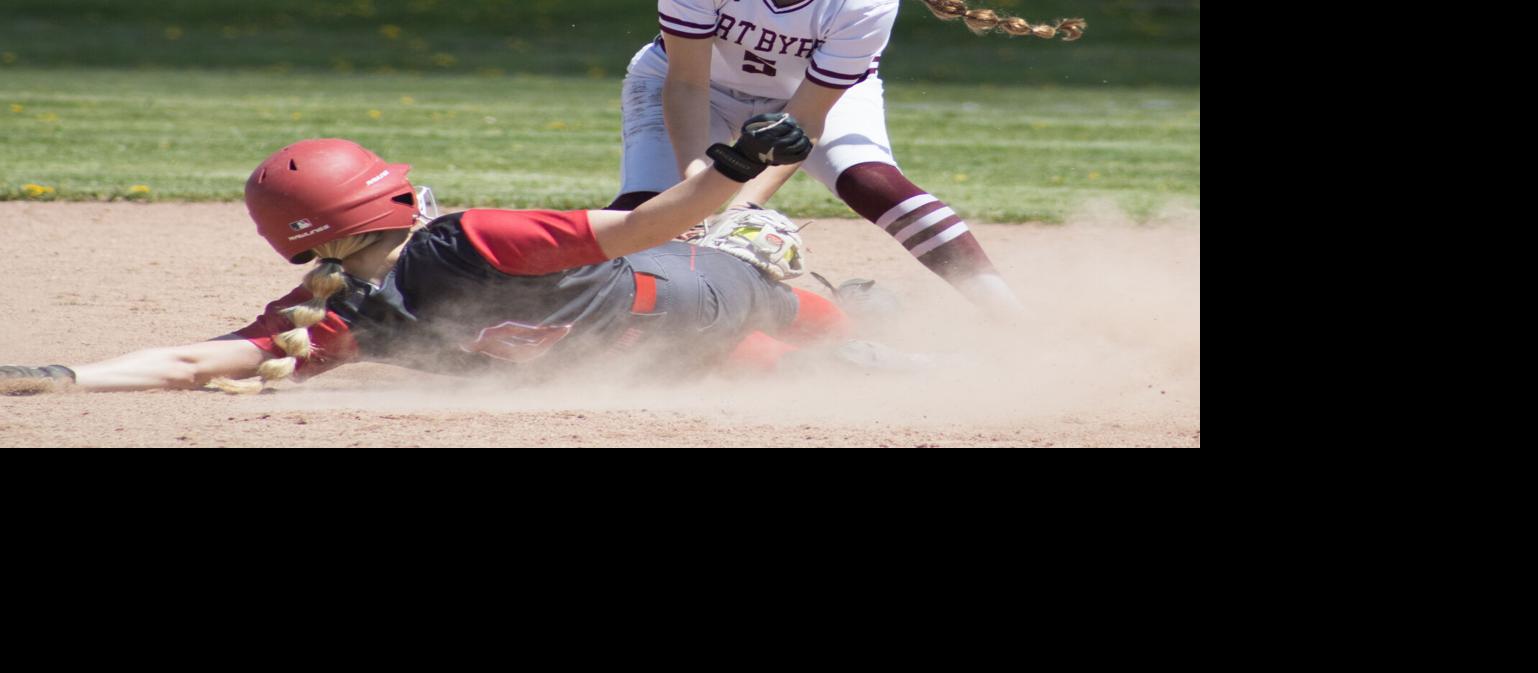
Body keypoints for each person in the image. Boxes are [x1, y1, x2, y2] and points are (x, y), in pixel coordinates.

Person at [0, 119, 876, 396]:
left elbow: (189, 362)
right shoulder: (474, 236)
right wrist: (736, 163)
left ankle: (865, 347)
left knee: (763, 360)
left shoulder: (338, 317)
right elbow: (652, 224)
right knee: (760, 272)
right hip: (697, 295)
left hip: (653, 359)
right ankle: (870, 328)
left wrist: (65, 375)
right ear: (387, 201)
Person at [610, 0, 1084, 317]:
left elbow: (805, 120)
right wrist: (694, 192)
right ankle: (580, 310)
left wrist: (740, 210)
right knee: (647, 208)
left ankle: (1010, 316)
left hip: (815, 99)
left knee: (870, 181)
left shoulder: (864, 4)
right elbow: (687, 83)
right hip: (691, 87)